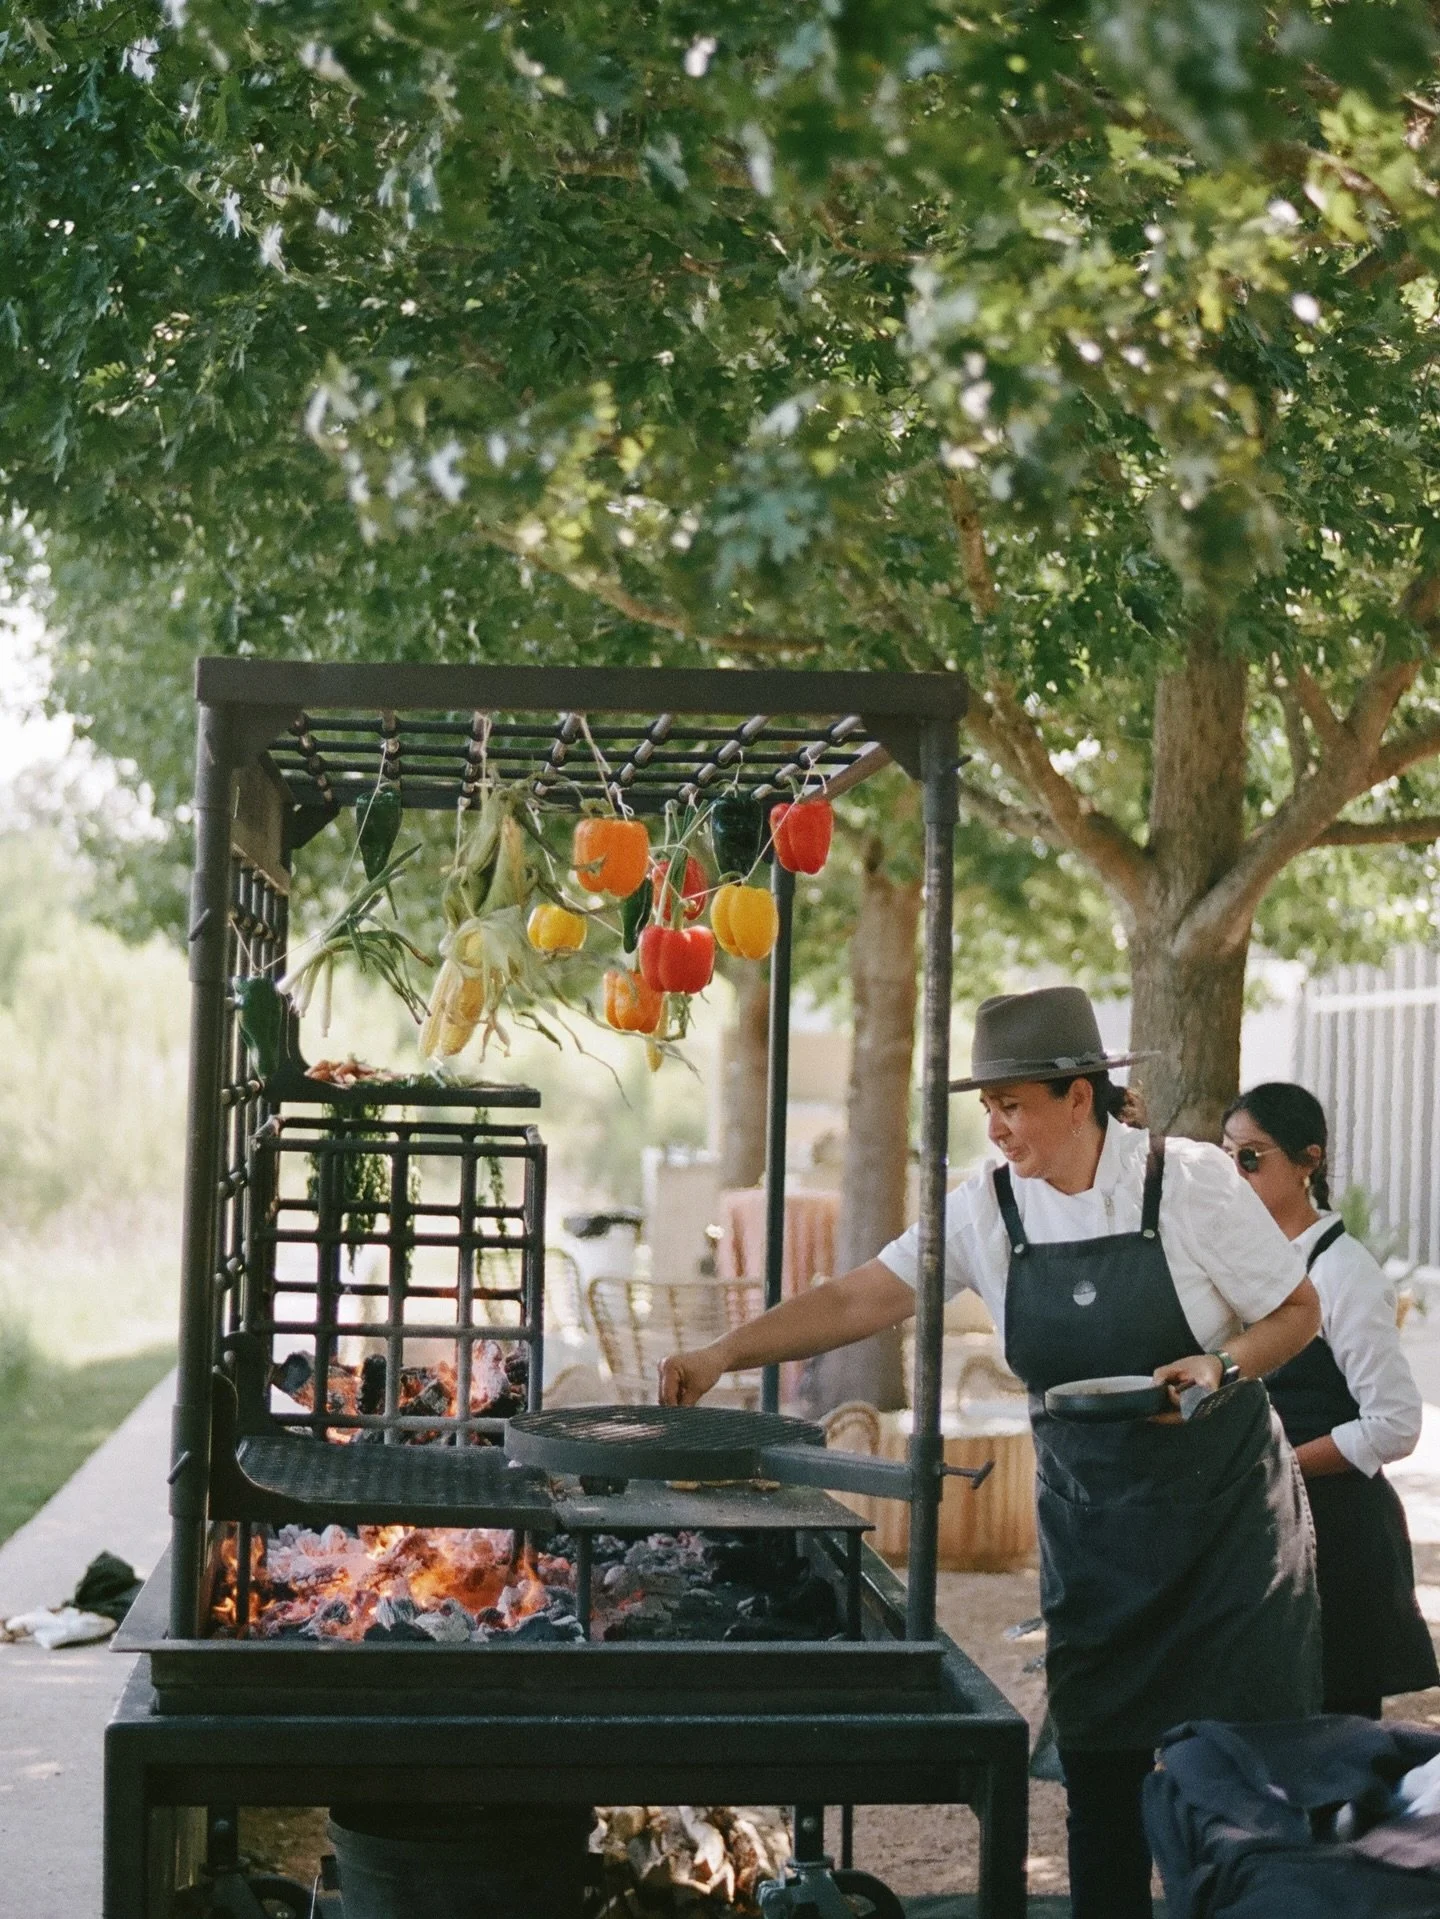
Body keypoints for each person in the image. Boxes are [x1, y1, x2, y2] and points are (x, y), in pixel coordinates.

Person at [660, 986, 1323, 1919]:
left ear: (1078, 1097)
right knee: (1101, 1778)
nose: (998, 1127)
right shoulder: (986, 1210)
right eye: (989, 1109)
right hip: (1097, 1534)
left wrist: (1219, 1363)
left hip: (1227, 1536)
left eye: (1012, 1104)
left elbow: (1297, 1311)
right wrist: (724, 1351)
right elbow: (858, 1298)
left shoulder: (1190, 1184)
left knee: (1240, 1788)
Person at [1223, 1082, 1438, 1718]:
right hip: (1258, 1532)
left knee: (1337, 1754)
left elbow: (1395, 1423)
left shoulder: (1345, 1274)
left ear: (1307, 1161)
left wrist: (1279, 1465)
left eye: (1252, 1157)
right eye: (1227, 1155)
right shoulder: (1238, 1262)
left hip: (1337, 1538)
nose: (1236, 1173)